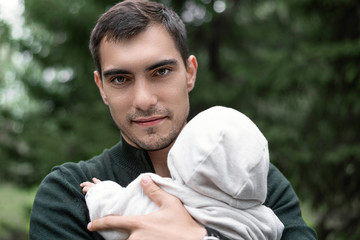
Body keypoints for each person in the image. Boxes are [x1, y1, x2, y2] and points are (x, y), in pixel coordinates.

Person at [29, 0, 317, 239]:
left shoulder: (249, 178)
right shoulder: (69, 194)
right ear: (102, 88)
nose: (143, 100)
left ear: (190, 73)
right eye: (120, 78)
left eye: (161, 72)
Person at [80, 106, 284, 240]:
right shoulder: (266, 220)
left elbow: (113, 215)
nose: (144, 100)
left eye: (162, 72)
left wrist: (99, 192)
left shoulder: (161, 192)